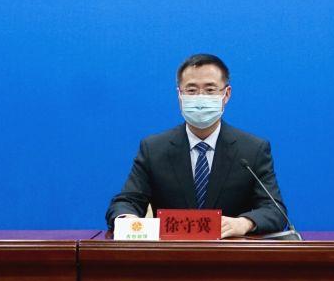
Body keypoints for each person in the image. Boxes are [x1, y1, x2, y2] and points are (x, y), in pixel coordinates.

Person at [106, 53, 291, 239]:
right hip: (171, 253)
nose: (200, 98)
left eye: (210, 90)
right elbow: (126, 202)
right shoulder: (153, 148)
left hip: (229, 252)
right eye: (192, 90)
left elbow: (274, 209)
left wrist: (243, 223)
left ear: (226, 94)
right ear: (179, 95)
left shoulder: (252, 150)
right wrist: (128, 220)